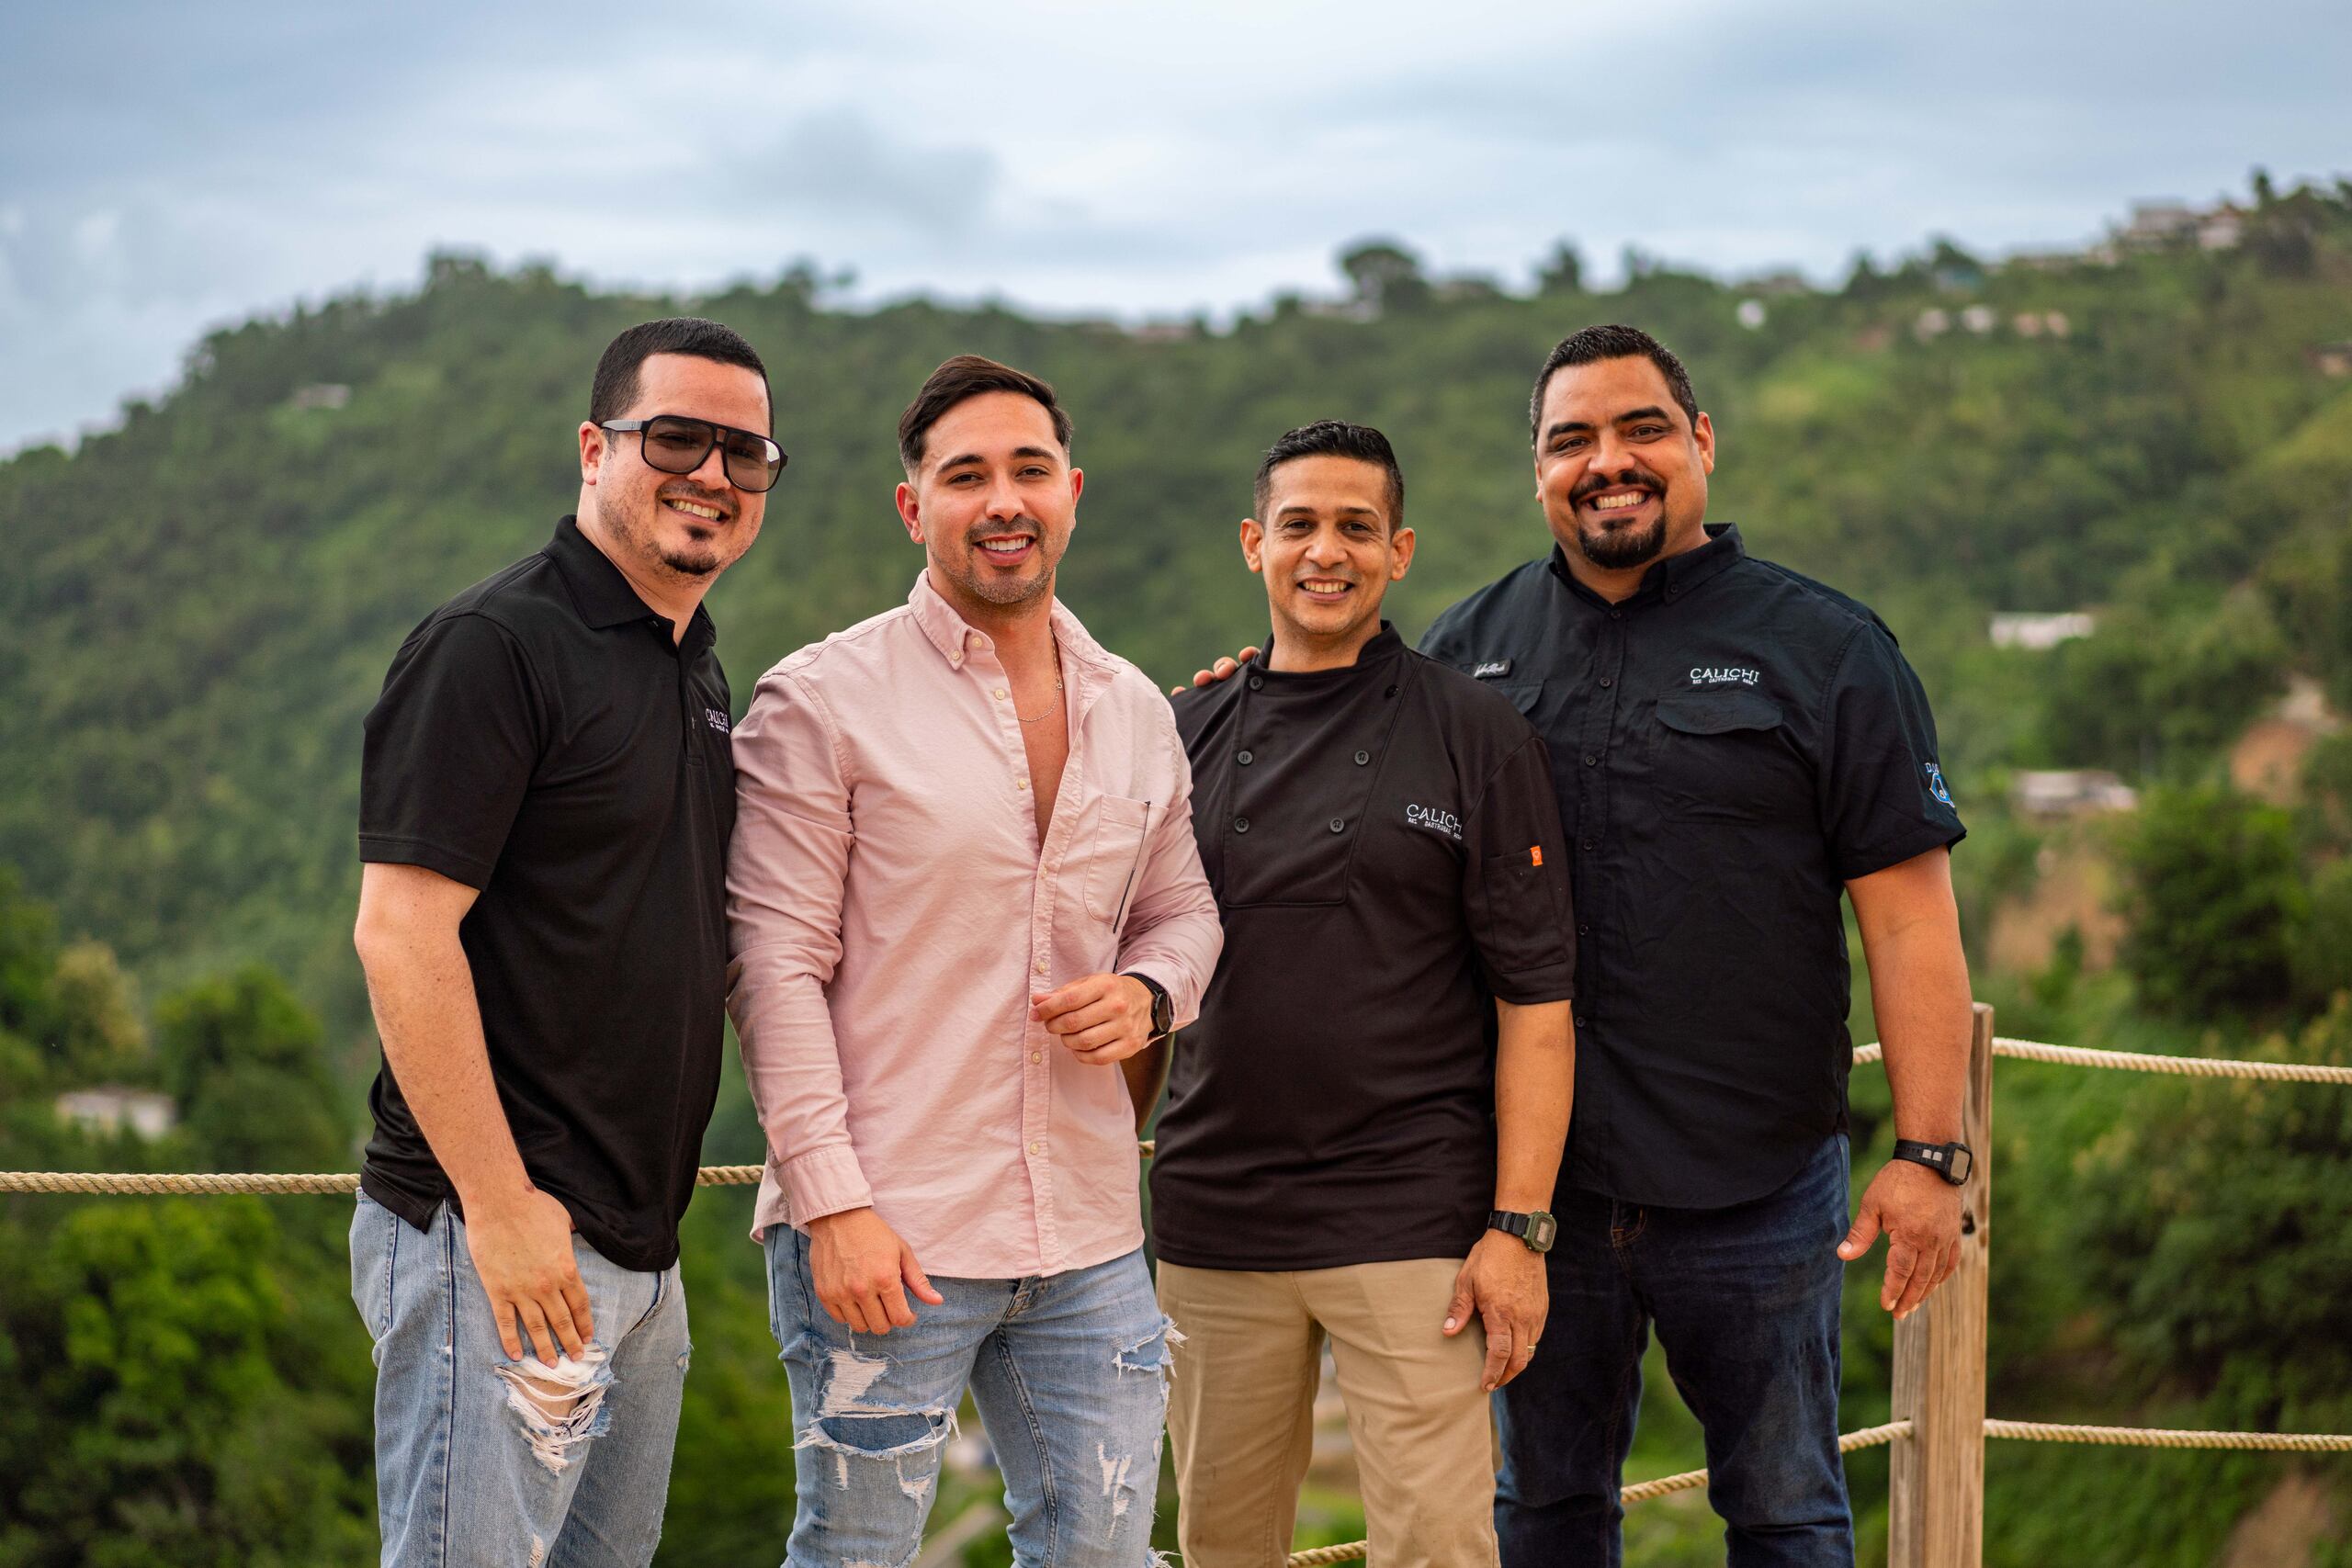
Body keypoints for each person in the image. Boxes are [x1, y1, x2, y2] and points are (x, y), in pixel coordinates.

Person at [1190, 325, 1974, 1567]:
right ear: (1537, 471)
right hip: (1527, 1195)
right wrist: (1249, 689)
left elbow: (1911, 910)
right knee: (1546, 1513)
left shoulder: (1831, 649)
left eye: (1642, 430)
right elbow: (1321, 707)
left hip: (1755, 1179)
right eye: (1573, 440)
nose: (1609, 462)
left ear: (1703, 441)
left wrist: (1931, 1147)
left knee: (1786, 1509)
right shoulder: (1462, 648)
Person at [726, 355, 1224, 1568]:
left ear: (1072, 492)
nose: (1003, 499)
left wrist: (1151, 990)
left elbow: (1187, 910)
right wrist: (832, 1202)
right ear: (915, 507)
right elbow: (770, 966)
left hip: (1093, 1232)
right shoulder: (821, 698)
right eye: (966, 476)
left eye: (1029, 470)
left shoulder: (1133, 707)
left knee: (1104, 1554)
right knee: (855, 1552)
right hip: (890, 1234)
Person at [350, 317, 781, 1566]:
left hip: (640, 1251)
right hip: (502, 1237)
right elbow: (400, 932)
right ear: (595, 448)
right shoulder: (496, 645)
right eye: (678, 438)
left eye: (744, 454)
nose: (712, 473)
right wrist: (501, 1206)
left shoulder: (691, 665)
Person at [1150, 421, 1577, 1568]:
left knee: (1438, 1544)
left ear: (1399, 551)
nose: (1324, 551)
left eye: (1355, 528)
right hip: (1212, 1218)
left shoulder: (1476, 735)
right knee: (1220, 1543)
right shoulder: (1175, 731)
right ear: (1254, 544)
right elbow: (1138, 984)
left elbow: (1536, 1004)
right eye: (1298, 525)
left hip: (1412, 1218)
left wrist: (1518, 1229)